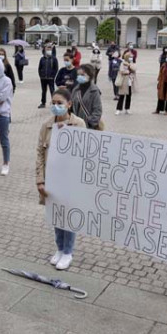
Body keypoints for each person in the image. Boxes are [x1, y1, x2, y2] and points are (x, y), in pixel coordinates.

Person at [36, 87, 87, 270]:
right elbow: (40, 154)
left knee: (69, 216)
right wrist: (40, 180)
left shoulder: (79, 124)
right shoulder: (47, 125)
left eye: (60, 103)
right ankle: (59, 248)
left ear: (69, 104)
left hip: (71, 180)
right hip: (52, 180)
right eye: (54, 103)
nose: (56, 106)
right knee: (56, 215)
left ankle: (67, 252)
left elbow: (85, 152)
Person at [71, 64, 102, 130]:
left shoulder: (94, 91)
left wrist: (90, 122)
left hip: (88, 127)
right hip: (75, 125)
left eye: (82, 75)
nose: (79, 77)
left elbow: (97, 110)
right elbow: (71, 106)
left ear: (90, 76)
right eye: (78, 75)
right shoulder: (75, 89)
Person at [115, 51, 137, 115]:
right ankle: (118, 109)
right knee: (121, 96)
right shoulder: (123, 63)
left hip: (130, 82)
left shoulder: (132, 63)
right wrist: (128, 71)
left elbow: (134, 69)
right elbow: (122, 71)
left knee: (129, 96)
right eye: (130, 57)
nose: (131, 58)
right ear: (127, 57)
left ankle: (127, 109)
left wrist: (129, 65)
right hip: (124, 81)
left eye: (132, 57)